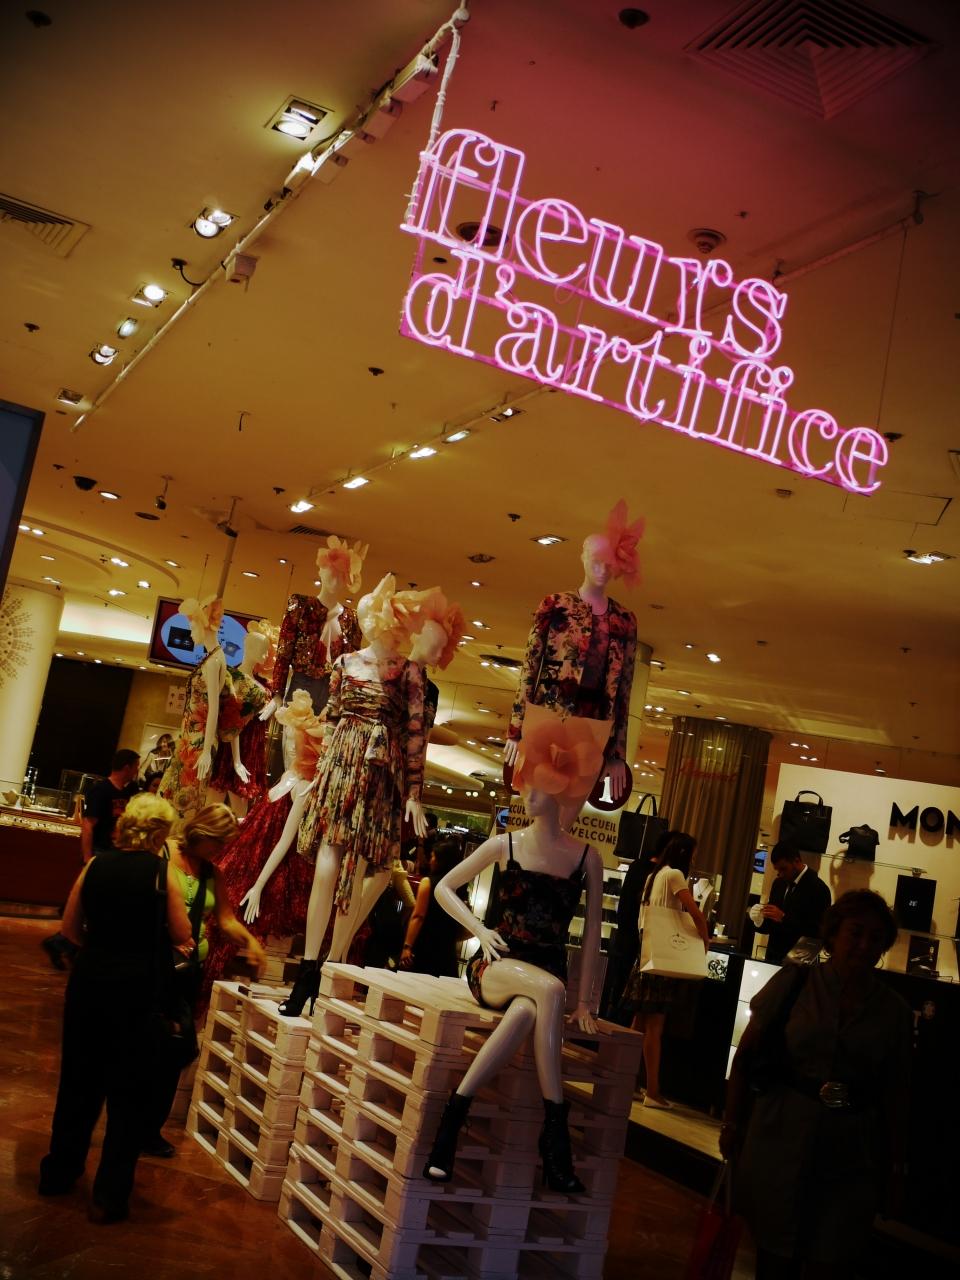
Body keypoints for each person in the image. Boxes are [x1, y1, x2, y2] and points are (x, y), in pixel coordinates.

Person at [722, 890, 912, 1278]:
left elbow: (896, 1091)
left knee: (831, 1254)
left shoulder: (894, 1011)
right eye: (856, 933)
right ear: (834, 933)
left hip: (850, 1153)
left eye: (875, 938)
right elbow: (744, 1059)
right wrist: (732, 1124)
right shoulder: (795, 983)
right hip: (780, 1137)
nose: (864, 945)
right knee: (773, 1253)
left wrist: (896, 1166)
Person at [39, 793, 191, 1223]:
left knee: (77, 1084)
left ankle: (58, 1173)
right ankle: (109, 1195)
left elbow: (70, 929)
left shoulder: (95, 865)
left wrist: (103, 946)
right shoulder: (163, 874)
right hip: (139, 991)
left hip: (90, 985)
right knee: (129, 1095)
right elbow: (181, 932)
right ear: (160, 833)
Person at [146, 804, 266, 1155]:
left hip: (186, 973)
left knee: (175, 1049)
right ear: (201, 833)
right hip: (152, 967)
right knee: (145, 1047)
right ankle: (130, 1122)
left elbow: (225, 919)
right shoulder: (162, 853)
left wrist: (250, 942)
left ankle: (150, 1129)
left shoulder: (213, 873)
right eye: (218, 842)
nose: (221, 849)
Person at [620, 832, 708, 1108]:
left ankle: (627, 1081)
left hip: (647, 955)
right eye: (693, 854)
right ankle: (653, 1091)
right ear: (684, 854)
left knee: (638, 1023)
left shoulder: (653, 876)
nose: (694, 859)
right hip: (663, 961)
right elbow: (695, 913)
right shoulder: (674, 875)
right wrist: (704, 940)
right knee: (655, 1026)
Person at [41, 748, 140, 970]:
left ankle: (66, 946)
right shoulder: (100, 790)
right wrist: (88, 857)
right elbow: (88, 825)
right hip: (100, 852)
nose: (137, 771)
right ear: (127, 767)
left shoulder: (130, 791)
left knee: (96, 904)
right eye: (135, 766)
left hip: (115, 852)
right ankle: (62, 944)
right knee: (92, 902)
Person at [601, 828, 671, 1021]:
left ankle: (612, 1023)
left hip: (626, 937)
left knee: (620, 987)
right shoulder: (665, 874)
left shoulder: (639, 866)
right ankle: (621, 1025)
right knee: (634, 995)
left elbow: (625, 905)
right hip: (642, 942)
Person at [749, 840, 832, 965]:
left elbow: (818, 932)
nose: (780, 874)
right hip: (773, 957)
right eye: (777, 870)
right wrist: (759, 919)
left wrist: (783, 917)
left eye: (783, 869)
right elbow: (772, 926)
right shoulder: (778, 884)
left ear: (796, 861)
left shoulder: (819, 889)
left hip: (800, 962)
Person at [399, 836, 468, 977]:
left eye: (433, 857)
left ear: (440, 861)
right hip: (446, 949)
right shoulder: (459, 887)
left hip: (425, 945)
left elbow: (418, 916)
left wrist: (407, 946)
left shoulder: (428, 883)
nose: (430, 861)